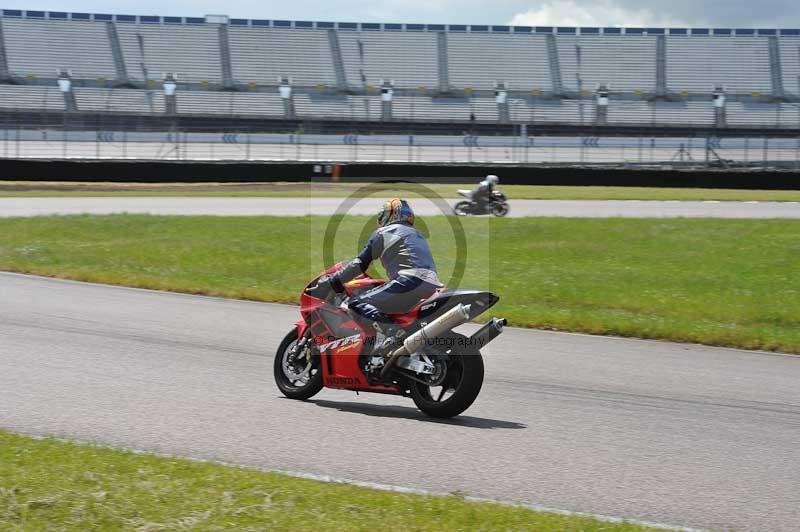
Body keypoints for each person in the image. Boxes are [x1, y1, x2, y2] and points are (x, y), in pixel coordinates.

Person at [306, 198, 441, 339]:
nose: (380, 219)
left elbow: (360, 264)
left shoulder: (385, 232)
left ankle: (394, 335)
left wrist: (332, 282)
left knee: (356, 303)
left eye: (382, 215)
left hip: (408, 282)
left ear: (392, 214)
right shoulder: (417, 234)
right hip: (432, 285)